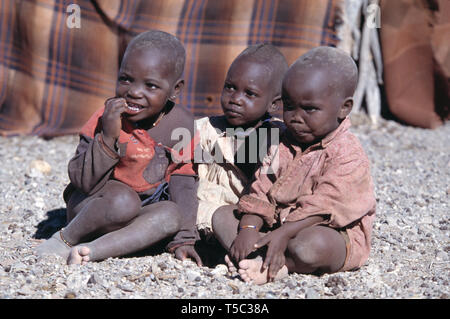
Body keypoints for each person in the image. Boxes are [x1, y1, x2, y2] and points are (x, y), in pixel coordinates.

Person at [212, 46, 376, 284]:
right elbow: (262, 188)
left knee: (310, 246)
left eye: (309, 109)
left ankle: (278, 265)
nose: (295, 117)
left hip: (326, 230)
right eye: (289, 106)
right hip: (278, 226)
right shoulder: (283, 142)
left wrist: (284, 234)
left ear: (344, 108)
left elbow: (326, 206)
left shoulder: (348, 154)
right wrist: (248, 229)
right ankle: (253, 258)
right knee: (223, 216)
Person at [35, 30, 201, 265]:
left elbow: (183, 184)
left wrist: (184, 239)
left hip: (138, 215)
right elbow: (83, 181)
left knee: (171, 215)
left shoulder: (181, 126)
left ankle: (92, 251)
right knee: (124, 201)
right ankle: (65, 240)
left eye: (151, 85)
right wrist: (109, 135)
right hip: (93, 206)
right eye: (126, 79)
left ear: (175, 89)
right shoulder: (107, 117)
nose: (134, 91)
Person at [194, 44, 288, 247]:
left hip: (252, 219)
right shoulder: (204, 129)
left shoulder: (277, 137)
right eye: (230, 87)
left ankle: (254, 257)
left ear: (273, 104)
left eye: (250, 94)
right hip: (206, 213)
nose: (235, 99)